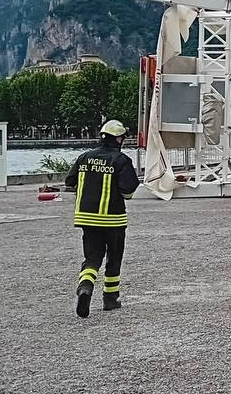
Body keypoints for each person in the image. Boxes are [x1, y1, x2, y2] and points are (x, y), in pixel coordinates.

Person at [64, 119, 140, 318]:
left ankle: (85, 286)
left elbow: (70, 181)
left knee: (92, 258)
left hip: (87, 219)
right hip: (113, 219)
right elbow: (128, 190)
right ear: (118, 139)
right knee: (114, 258)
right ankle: (110, 299)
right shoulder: (121, 160)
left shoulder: (84, 157)